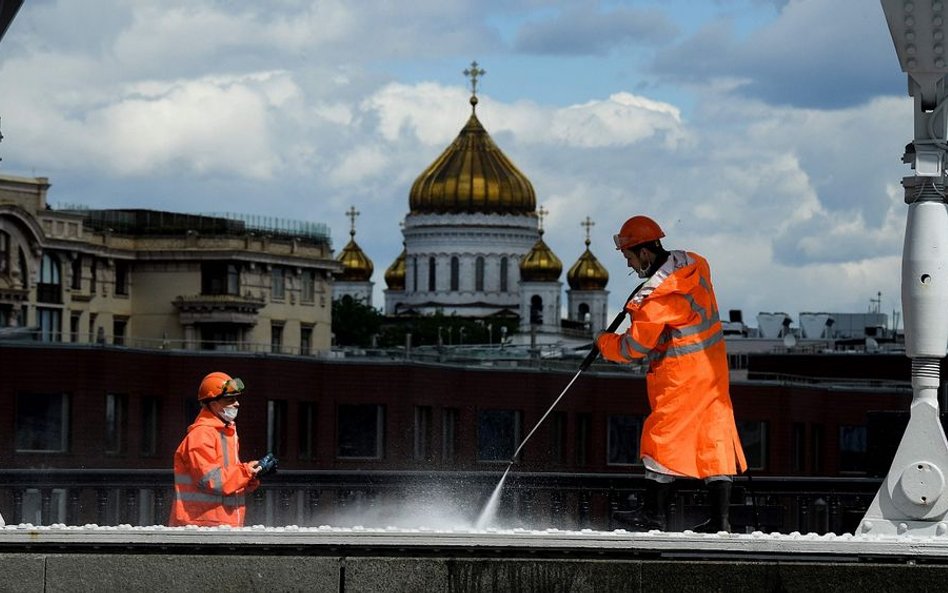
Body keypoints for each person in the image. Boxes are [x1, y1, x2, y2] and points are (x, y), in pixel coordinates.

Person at [596, 215, 747, 532]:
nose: (630, 265)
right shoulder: (696, 265)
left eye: (630, 258)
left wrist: (604, 342)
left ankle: (653, 516)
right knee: (713, 436)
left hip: (680, 375)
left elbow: (634, 347)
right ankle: (720, 521)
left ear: (645, 253)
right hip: (714, 370)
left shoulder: (656, 301)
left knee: (661, 437)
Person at [168, 371, 263, 527]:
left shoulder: (225, 433)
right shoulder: (202, 435)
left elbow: (223, 477)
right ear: (213, 404)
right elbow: (211, 481)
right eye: (230, 400)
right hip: (200, 528)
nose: (236, 403)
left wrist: (247, 478)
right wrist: (244, 472)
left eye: (236, 399)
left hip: (215, 525)